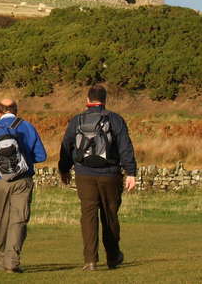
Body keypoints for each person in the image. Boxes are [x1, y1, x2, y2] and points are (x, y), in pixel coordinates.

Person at [58, 84, 137, 271]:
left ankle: (90, 260)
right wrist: (131, 172)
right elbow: (125, 147)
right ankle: (113, 256)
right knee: (110, 215)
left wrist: (64, 169)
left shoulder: (77, 120)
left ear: (87, 100)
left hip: (84, 174)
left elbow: (67, 146)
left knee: (88, 216)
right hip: (110, 174)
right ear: (105, 100)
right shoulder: (115, 119)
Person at [0, 98, 48, 273]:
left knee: (3, 219)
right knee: (19, 219)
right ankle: (12, 261)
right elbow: (41, 156)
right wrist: (24, 158)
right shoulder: (27, 127)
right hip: (22, 180)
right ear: (16, 110)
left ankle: (1, 258)